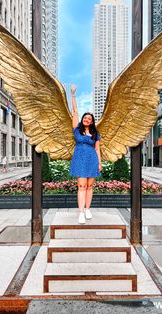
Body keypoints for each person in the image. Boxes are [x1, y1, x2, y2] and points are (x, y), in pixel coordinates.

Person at [70, 85, 102, 224]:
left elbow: (97, 149)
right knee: (81, 186)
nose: (87, 119)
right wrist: (73, 95)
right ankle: (81, 212)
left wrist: (100, 163)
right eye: (85, 117)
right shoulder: (77, 130)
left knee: (90, 186)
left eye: (89, 118)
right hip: (79, 159)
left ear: (92, 121)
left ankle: (88, 209)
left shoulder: (95, 134)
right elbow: (75, 111)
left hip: (92, 160)